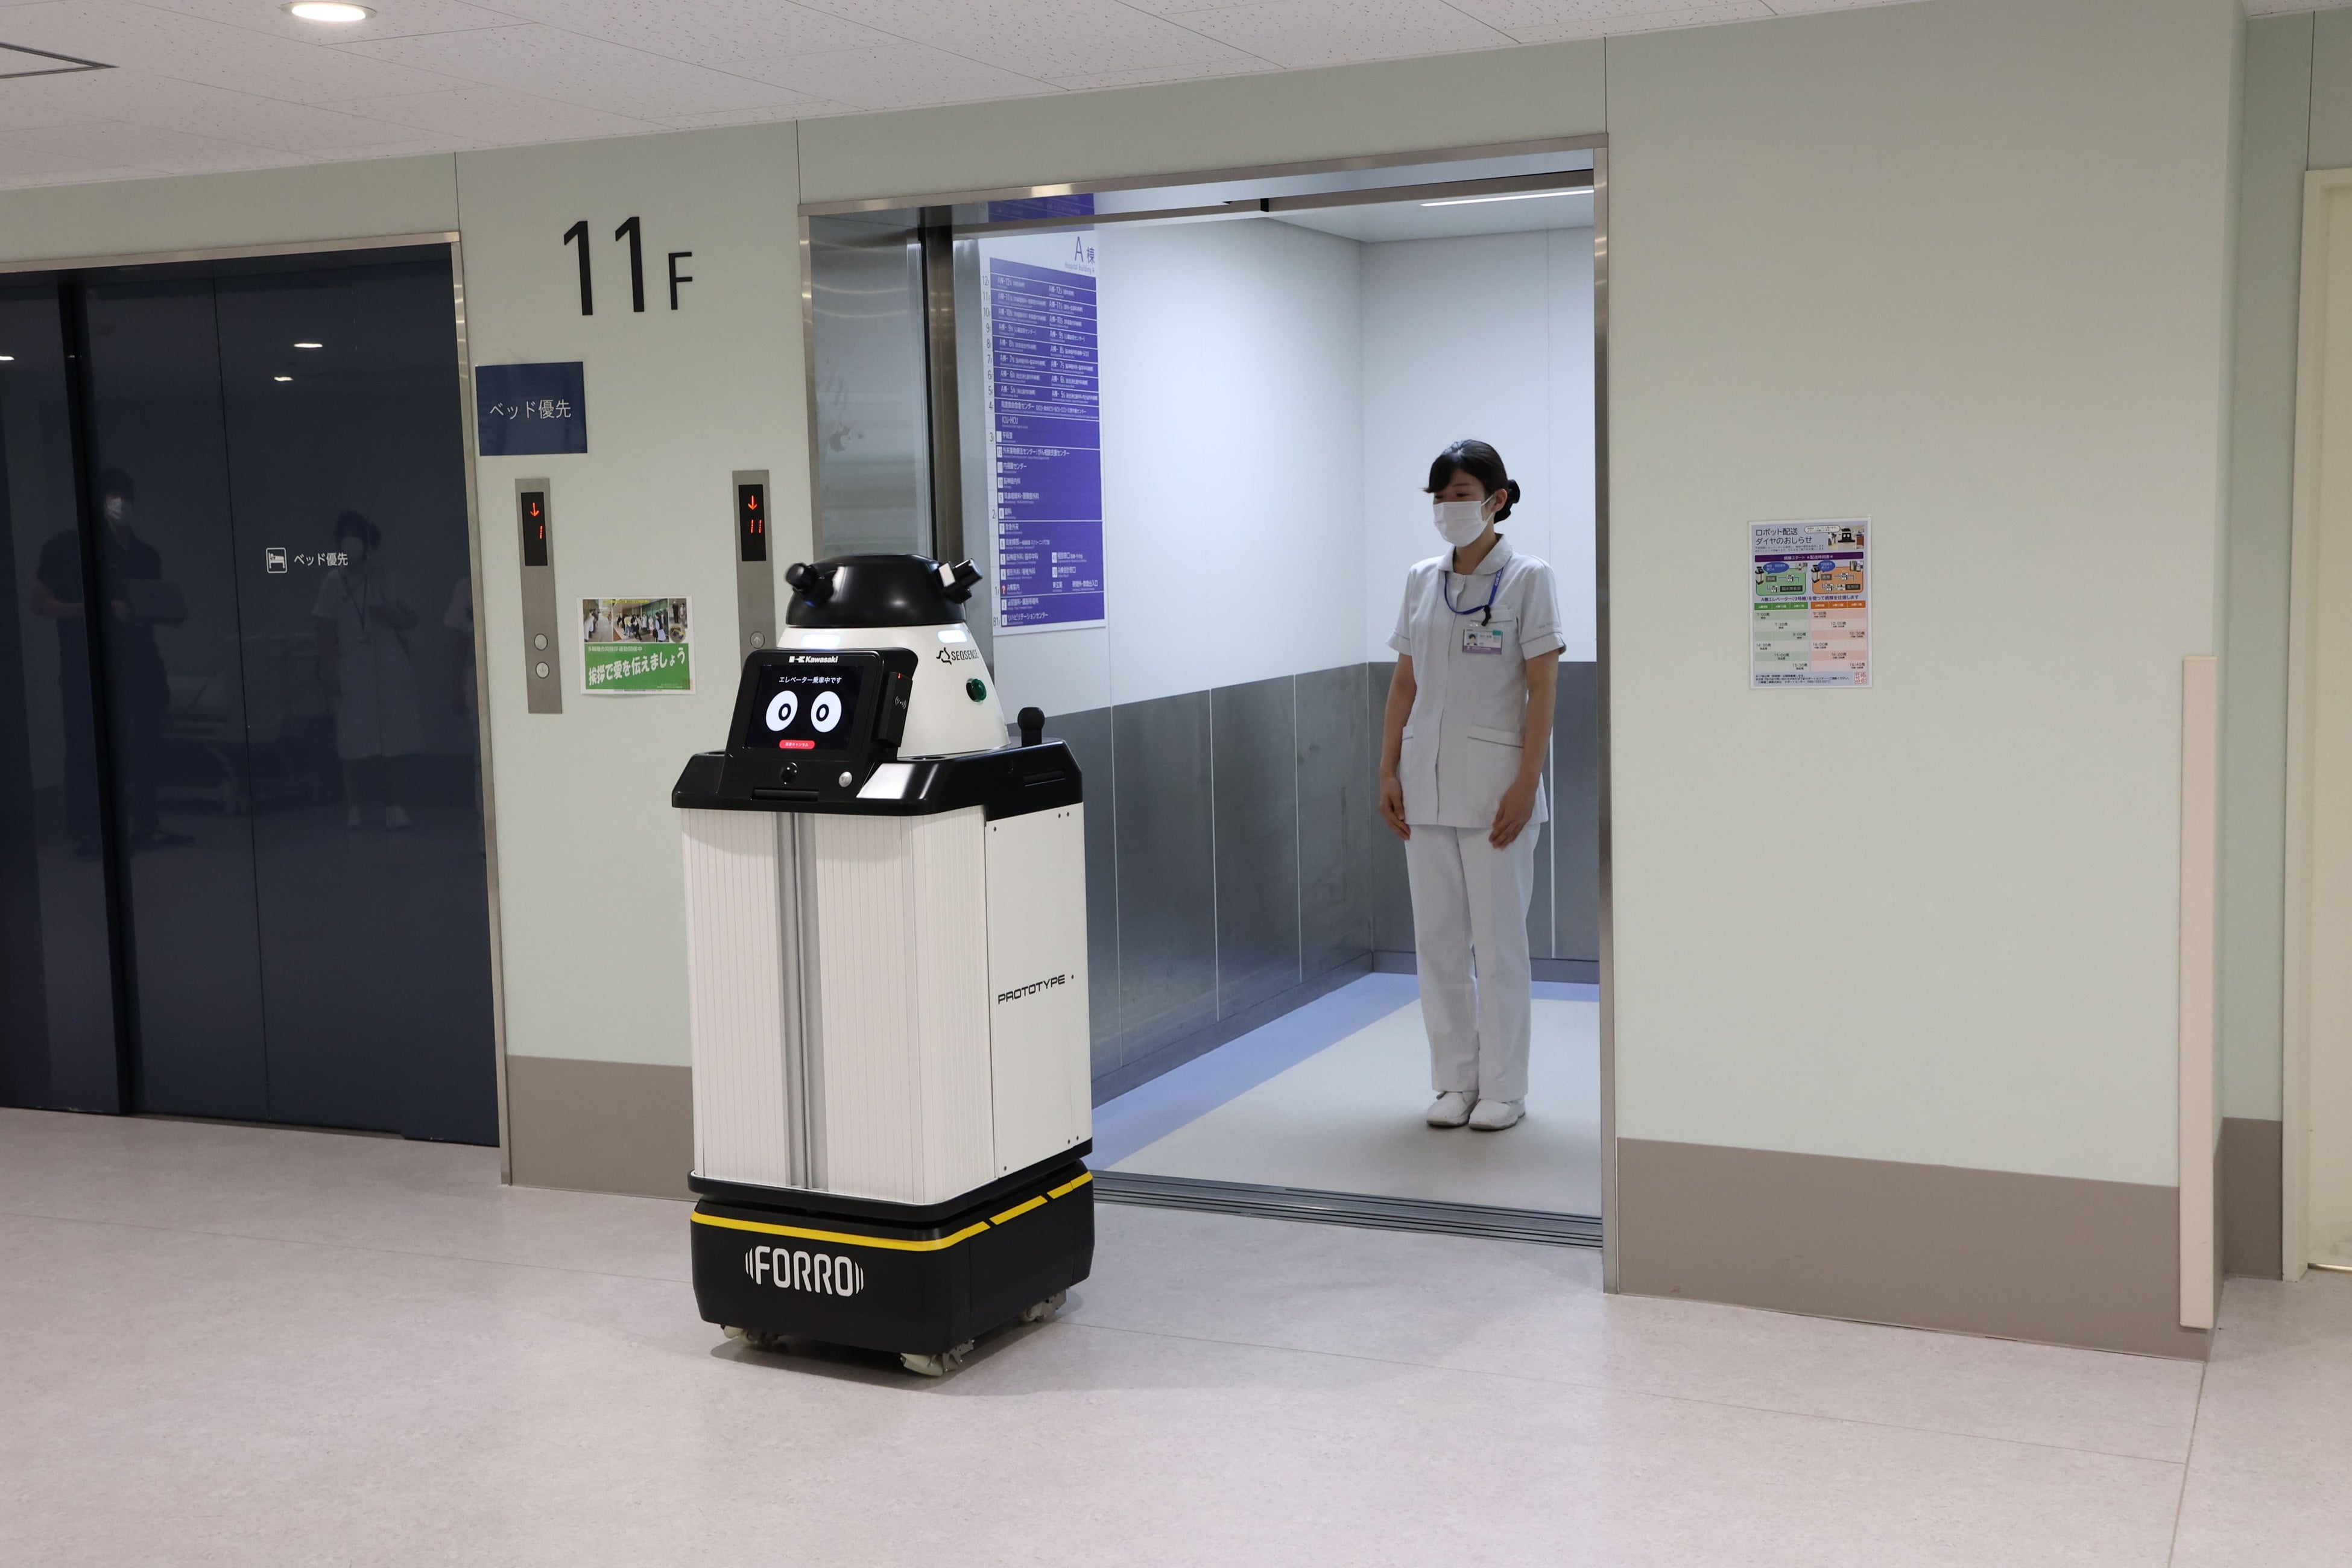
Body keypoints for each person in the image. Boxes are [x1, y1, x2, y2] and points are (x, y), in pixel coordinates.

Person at [1379, 440, 1564, 1133]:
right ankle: (1455, 1080)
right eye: (1440, 496)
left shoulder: (1529, 578)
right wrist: (1386, 768)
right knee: (1439, 944)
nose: (1448, 507)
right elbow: (1405, 682)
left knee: (1499, 943)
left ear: (1497, 499)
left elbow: (1544, 686)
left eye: (1461, 494)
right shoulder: (1420, 580)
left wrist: (1527, 781)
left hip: (1497, 790)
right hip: (1423, 785)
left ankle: (1505, 1087)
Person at [30, 468, 188, 853]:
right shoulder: (65, 548)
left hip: (140, 661)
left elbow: (151, 604)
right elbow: (39, 602)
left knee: (147, 740)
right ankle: (86, 833)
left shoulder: (145, 554)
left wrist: (166, 611)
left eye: (126, 498)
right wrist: (92, 609)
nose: (121, 506)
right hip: (87, 665)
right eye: (113, 498)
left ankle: (146, 825)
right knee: (85, 744)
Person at [313, 511, 423, 830]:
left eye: (356, 535)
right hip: (352, 668)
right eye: (345, 536)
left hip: (389, 667)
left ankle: (394, 806)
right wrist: (329, 671)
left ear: (367, 541)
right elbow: (325, 630)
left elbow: (412, 618)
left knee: (394, 738)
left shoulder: (387, 578)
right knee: (353, 740)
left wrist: (390, 613)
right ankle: (355, 807)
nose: (351, 542)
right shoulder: (333, 582)